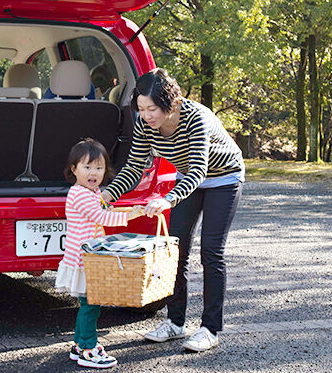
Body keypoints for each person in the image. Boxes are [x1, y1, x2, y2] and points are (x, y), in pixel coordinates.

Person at [102, 68, 244, 352]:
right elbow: (134, 168)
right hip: (187, 179)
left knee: (211, 251)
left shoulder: (196, 118)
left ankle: (210, 329)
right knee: (175, 249)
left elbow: (198, 170)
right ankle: (175, 323)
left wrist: (168, 199)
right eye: (141, 109)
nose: (146, 116)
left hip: (223, 178)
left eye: (152, 109)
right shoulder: (144, 124)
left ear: (171, 103)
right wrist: (108, 194)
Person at [55, 138, 142, 368]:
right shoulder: (80, 194)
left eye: (99, 168)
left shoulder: (91, 192)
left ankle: (79, 345)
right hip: (84, 260)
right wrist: (131, 215)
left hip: (87, 257)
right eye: (87, 167)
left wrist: (113, 207)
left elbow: (101, 209)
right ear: (74, 169)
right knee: (91, 306)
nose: (93, 173)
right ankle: (88, 349)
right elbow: (100, 216)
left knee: (88, 304)